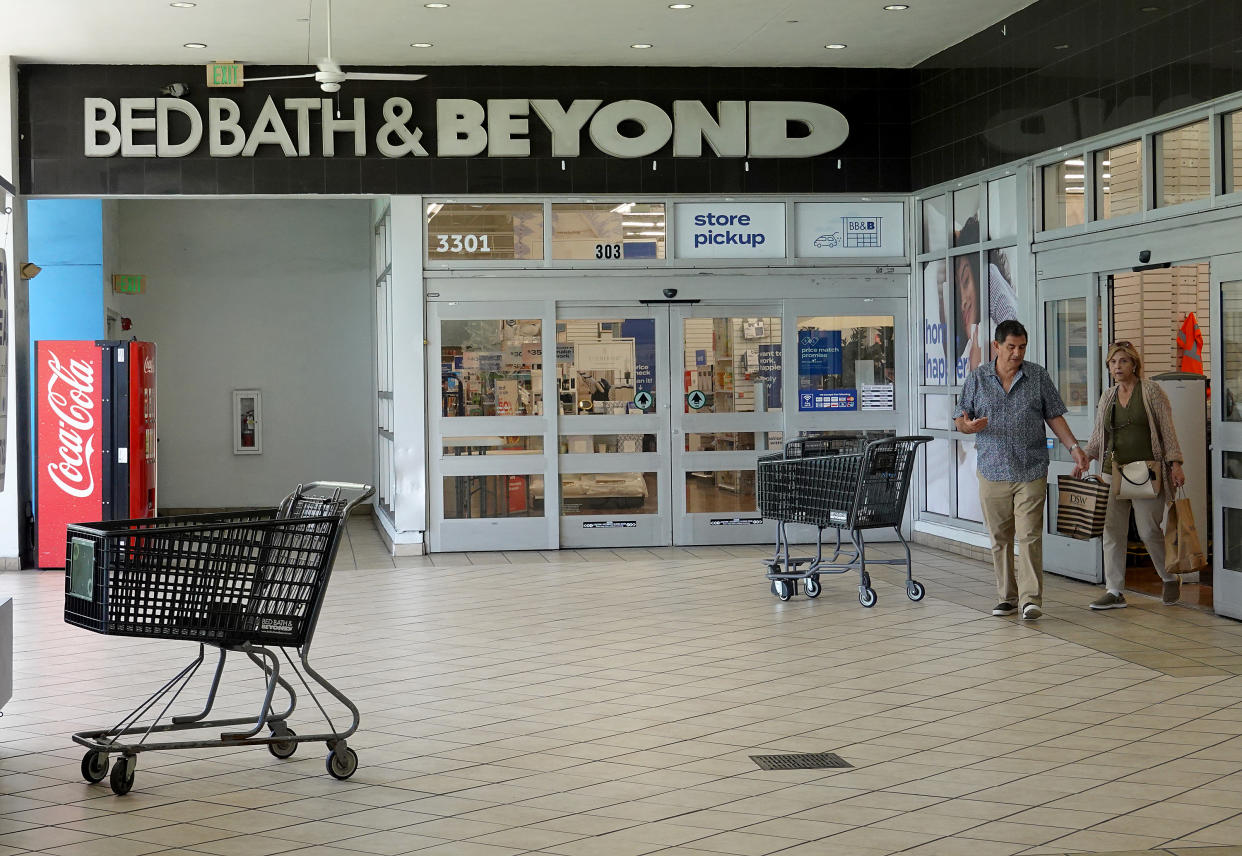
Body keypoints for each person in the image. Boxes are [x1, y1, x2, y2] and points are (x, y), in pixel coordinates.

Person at [957, 319, 1090, 620]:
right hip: (992, 470)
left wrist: (1074, 448)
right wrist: (968, 426)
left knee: (1029, 534)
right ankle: (1007, 597)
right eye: (1011, 347)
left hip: (1030, 468)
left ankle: (1031, 599)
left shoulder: (1037, 377)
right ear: (996, 346)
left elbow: (1054, 416)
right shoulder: (977, 379)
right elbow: (960, 419)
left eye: (1022, 347)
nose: (1017, 353)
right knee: (999, 537)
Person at [1072, 342, 1185, 609]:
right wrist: (1086, 456)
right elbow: (1099, 438)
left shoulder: (1151, 392)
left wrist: (1176, 463)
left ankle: (1169, 577)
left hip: (1146, 472)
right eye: (1113, 362)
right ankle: (1114, 590)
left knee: (1148, 530)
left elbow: (1167, 431)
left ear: (1134, 364)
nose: (1117, 367)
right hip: (1113, 470)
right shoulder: (1108, 397)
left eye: (1123, 361)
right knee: (1112, 530)